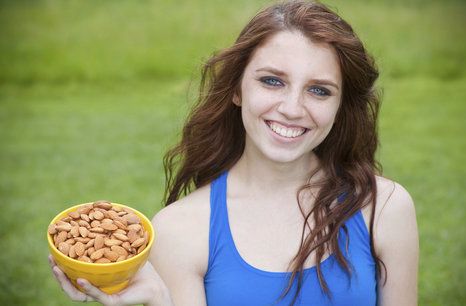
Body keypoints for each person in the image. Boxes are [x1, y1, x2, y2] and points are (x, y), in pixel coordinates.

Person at [49, 1, 419, 305]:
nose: (292, 108)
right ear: (237, 89)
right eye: (272, 81)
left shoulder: (382, 208)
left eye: (319, 90)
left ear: (340, 106)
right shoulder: (180, 229)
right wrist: (160, 300)